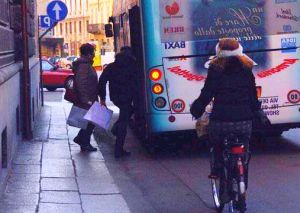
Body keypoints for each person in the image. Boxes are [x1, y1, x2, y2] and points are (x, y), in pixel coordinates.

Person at [190, 38, 261, 178]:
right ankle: (242, 168)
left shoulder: (215, 70)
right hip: (244, 122)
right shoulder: (247, 69)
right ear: (240, 50)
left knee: (216, 143)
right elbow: (253, 96)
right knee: (244, 146)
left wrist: (196, 110)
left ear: (219, 52)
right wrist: (256, 112)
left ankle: (217, 168)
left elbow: (207, 94)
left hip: (221, 121)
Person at [98, 46, 138, 158]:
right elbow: (137, 82)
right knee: (124, 123)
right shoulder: (132, 66)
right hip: (127, 97)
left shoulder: (111, 66)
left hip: (115, 97)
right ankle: (118, 150)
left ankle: (115, 129)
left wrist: (103, 97)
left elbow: (102, 81)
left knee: (127, 114)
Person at [72, 43, 98, 152]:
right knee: (90, 122)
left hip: (90, 97)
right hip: (87, 99)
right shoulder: (84, 65)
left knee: (90, 121)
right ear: (88, 54)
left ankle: (82, 141)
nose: (94, 55)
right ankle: (83, 142)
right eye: (93, 53)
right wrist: (85, 99)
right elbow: (81, 82)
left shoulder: (86, 64)